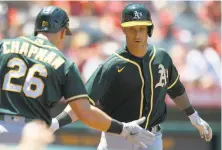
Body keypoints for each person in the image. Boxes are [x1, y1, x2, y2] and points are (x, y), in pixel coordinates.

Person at [50, 3, 213, 150]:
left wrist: (194, 116)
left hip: (152, 137)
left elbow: (176, 89)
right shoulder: (112, 65)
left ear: (149, 29)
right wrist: (56, 123)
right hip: (119, 137)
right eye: (132, 28)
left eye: (141, 28)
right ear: (124, 29)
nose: (137, 34)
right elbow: (81, 103)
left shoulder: (162, 58)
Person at [0, 6, 155, 148]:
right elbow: (84, 112)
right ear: (61, 32)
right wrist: (123, 129)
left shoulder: (5, 46)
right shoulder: (63, 63)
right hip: (31, 133)